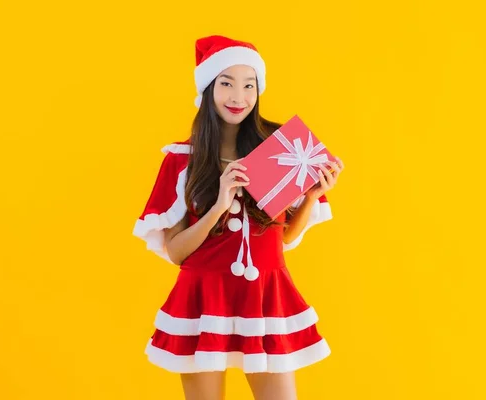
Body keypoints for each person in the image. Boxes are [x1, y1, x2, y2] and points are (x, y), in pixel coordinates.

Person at [132, 35, 345, 400]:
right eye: (227, 84)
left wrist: (309, 196)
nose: (238, 97)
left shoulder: (279, 150)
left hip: (264, 293)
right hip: (203, 298)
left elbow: (284, 239)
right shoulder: (183, 159)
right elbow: (176, 252)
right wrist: (218, 205)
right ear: (208, 88)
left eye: (249, 86)